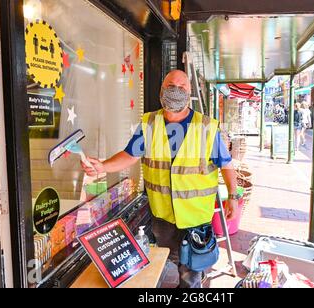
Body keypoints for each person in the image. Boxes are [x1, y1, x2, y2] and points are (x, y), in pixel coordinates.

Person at [81, 70, 239, 288]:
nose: (175, 91)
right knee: (172, 261)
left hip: (196, 219)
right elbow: (130, 155)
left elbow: (226, 164)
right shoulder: (150, 123)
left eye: (181, 87)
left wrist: (233, 196)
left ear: (190, 92)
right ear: (161, 91)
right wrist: (103, 166)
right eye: (170, 86)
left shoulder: (206, 127)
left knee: (189, 275)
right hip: (163, 217)